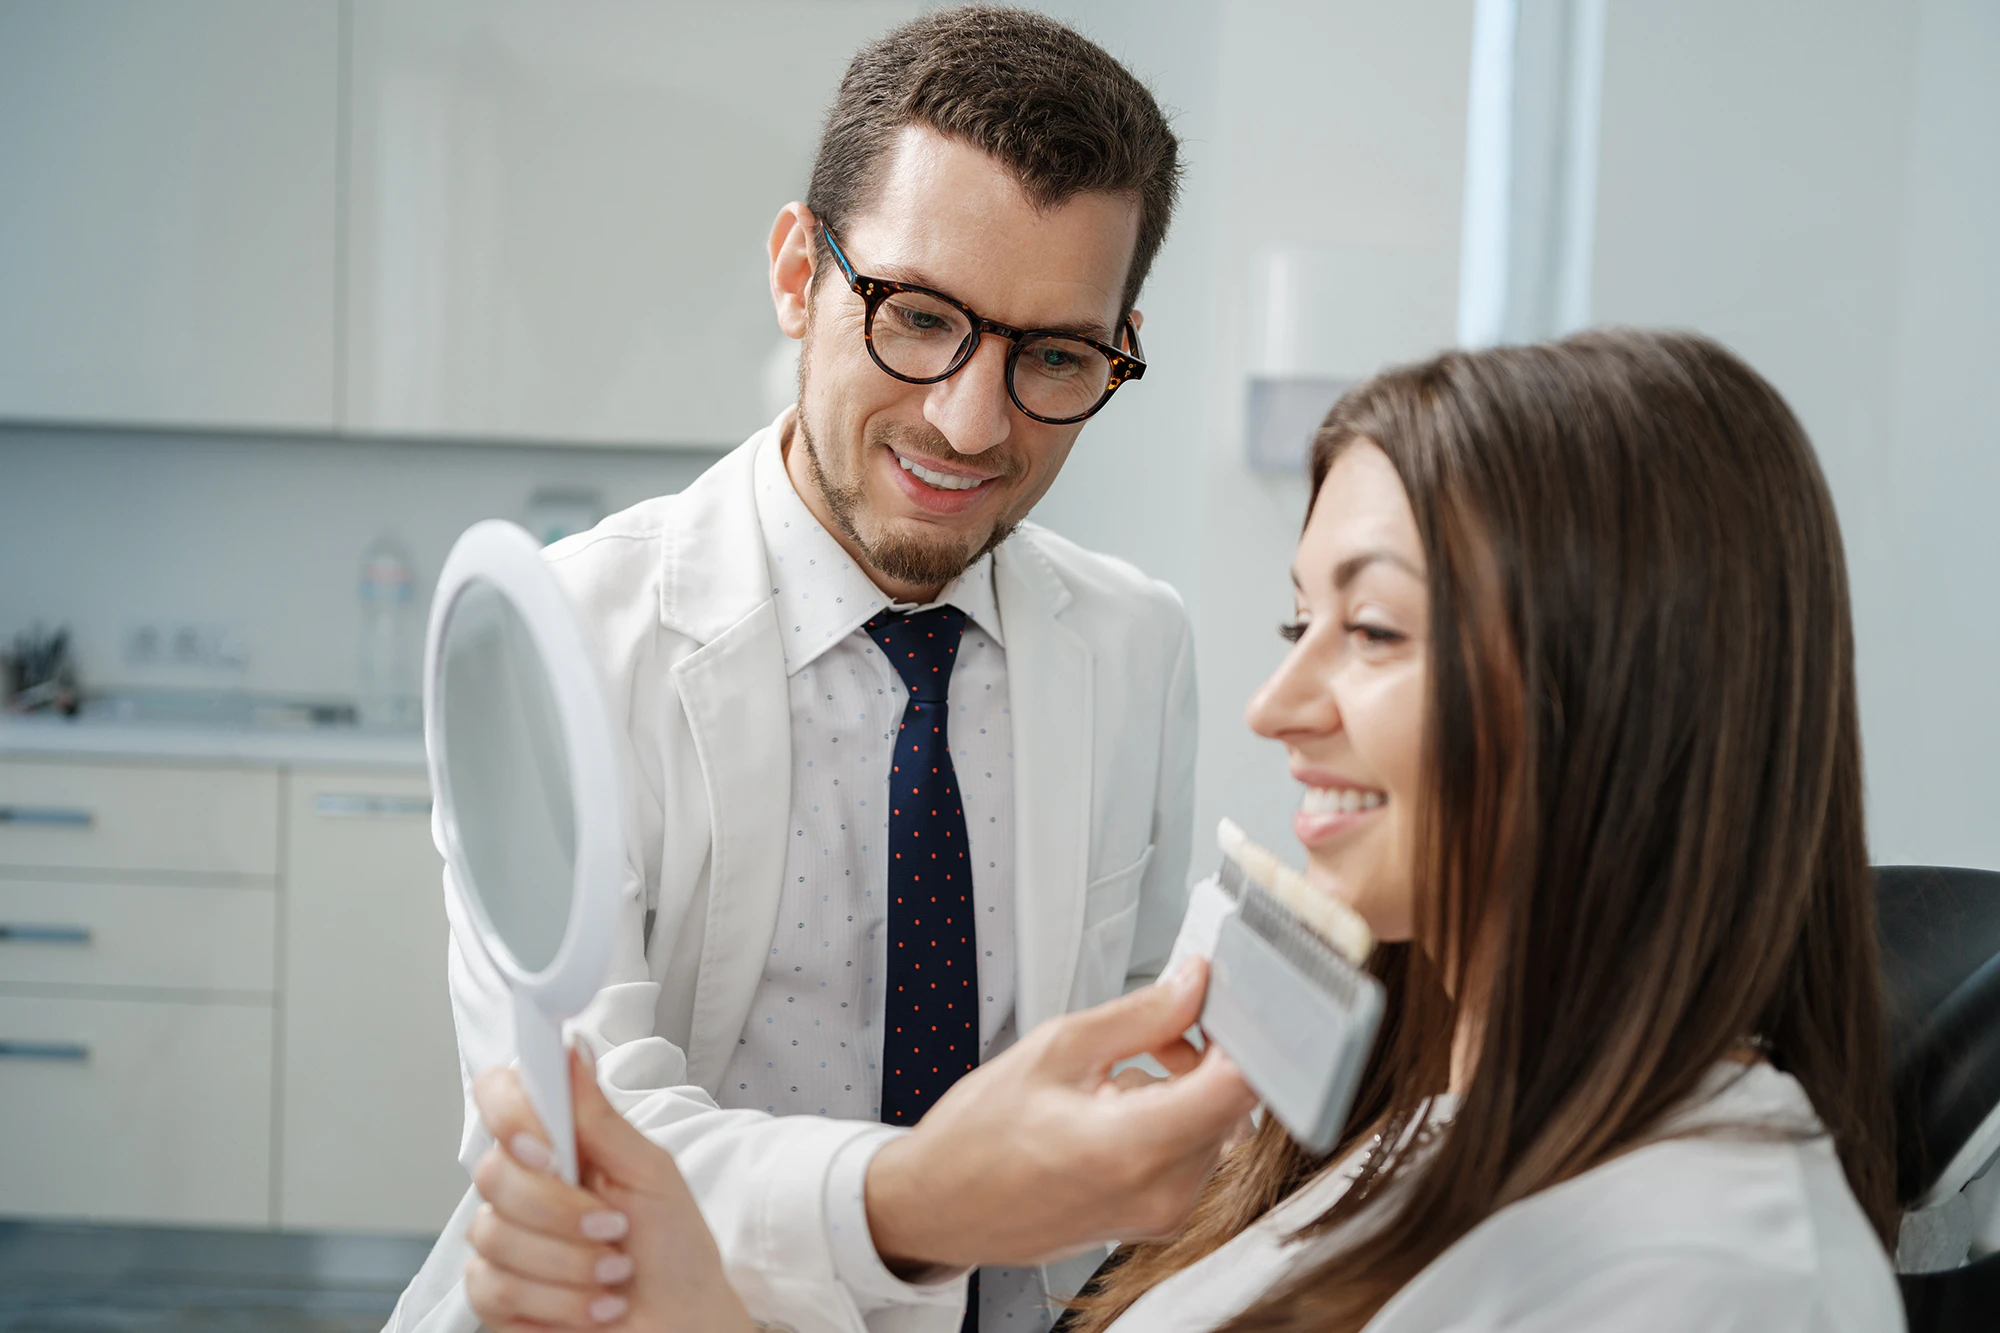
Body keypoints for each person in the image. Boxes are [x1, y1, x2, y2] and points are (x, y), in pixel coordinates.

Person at [455, 329, 1906, 1333]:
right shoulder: (1425, 1132)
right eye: (1298, 623)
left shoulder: (1712, 1275)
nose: (1276, 706)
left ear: (1630, 690)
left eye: (1374, 630)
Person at [387, 9, 1248, 1333]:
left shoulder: (1140, 643)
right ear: (800, 274)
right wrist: (924, 1199)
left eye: (1053, 357)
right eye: (921, 318)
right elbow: (583, 1132)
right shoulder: (568, 636)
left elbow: (1125, 1047)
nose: (970, 422)